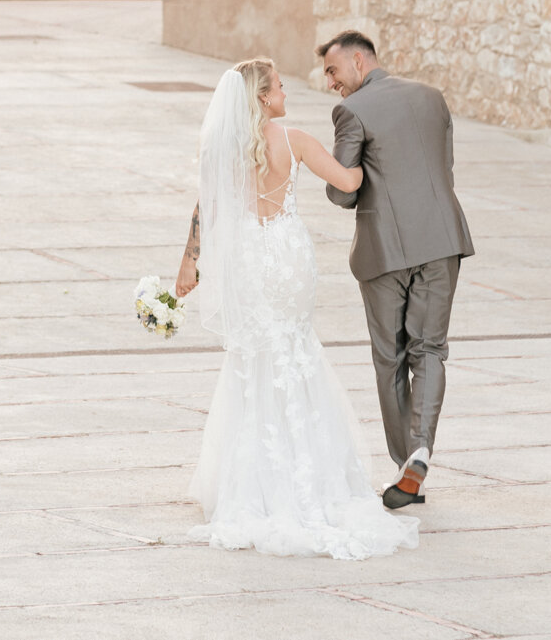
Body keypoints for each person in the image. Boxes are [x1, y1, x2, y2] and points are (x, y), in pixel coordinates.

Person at [172, 57, 419, 560]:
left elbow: (206, 209)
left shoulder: (224, 148)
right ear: (264, 98)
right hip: (287, 258)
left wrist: (188, 265)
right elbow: (349, 182)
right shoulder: (296, 140)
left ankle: (253, 486)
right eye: (281, 87)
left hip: (247, 256)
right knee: (296, 351)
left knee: (254, 356)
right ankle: (312, 478)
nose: (287, 93)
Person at [319, 31, 474, 510]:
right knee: (430, 349)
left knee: (390, 358)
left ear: (359, 61)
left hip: (385, 250)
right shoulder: (432, 97)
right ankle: (420, 453)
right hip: (442, 239)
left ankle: (406, 461)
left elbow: (343, 191)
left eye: (333, 70)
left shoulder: (352, 111)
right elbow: (443, 166)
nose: (330, 83)